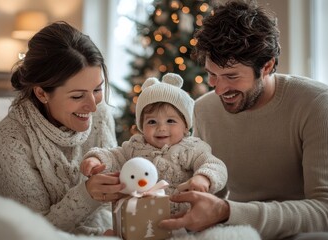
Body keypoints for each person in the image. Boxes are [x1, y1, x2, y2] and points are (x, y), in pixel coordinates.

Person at [159, 1, 328, 240]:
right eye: (212, 74)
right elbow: (208, 191)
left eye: (231, 76)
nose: (219, 89)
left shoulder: (318, 104)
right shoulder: (204, 109)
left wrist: (227, 212)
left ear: (267, 66)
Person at [0, 21, 124, 236]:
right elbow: (33, 232)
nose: (93, 106)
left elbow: (112, 203)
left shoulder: (101, 114)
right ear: (41, 93)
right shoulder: (7, 142)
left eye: (97, 89)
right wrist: (86, 195)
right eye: (77, 96)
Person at [80, 72, 228, 213]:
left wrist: (203, 178)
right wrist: (96, 159)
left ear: (185, 127)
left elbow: (215, 165)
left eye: (170, 121)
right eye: (152, 122)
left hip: (184, 217)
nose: (161, 128)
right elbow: (113, 155)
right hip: (143, 217)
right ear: (142, 127)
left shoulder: (192, 148)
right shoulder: (135, 147)